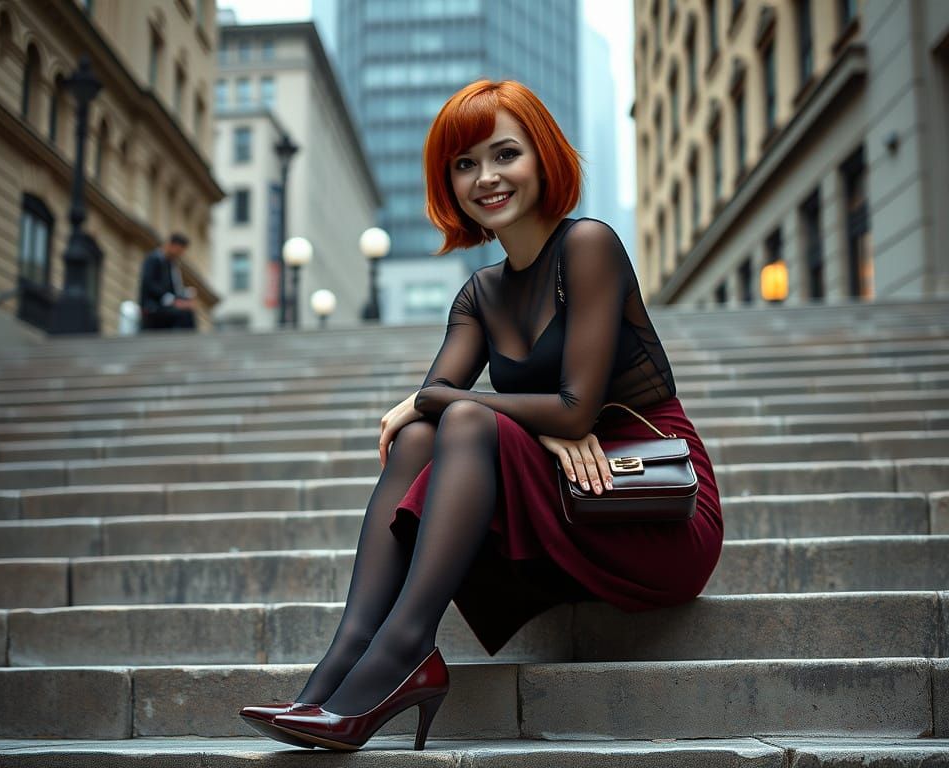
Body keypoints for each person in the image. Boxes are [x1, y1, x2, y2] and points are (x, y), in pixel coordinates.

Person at [239, 79, 724, 751]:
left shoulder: (588, 246)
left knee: (457, 419)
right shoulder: (481, 294)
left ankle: (401, 650)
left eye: (504, 154)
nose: (486, 178)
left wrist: (491, 411)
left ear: (543, 157)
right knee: (420, 435)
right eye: (465, 164)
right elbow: (472, 413)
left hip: (649, 501)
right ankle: (346, 658)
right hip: (563, 493)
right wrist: (535, 429)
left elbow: (574, 409)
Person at [138, 233, 196, 330]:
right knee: (184, 314)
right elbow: (149, 284)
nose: (180, 254)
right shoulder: (153, 259)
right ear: (171, 245)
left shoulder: (171, 265)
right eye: (179, 251)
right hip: (153, 307)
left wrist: (185, 296)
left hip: (165, 306)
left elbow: (174, 290)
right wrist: (174, 301)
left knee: (188, 311)